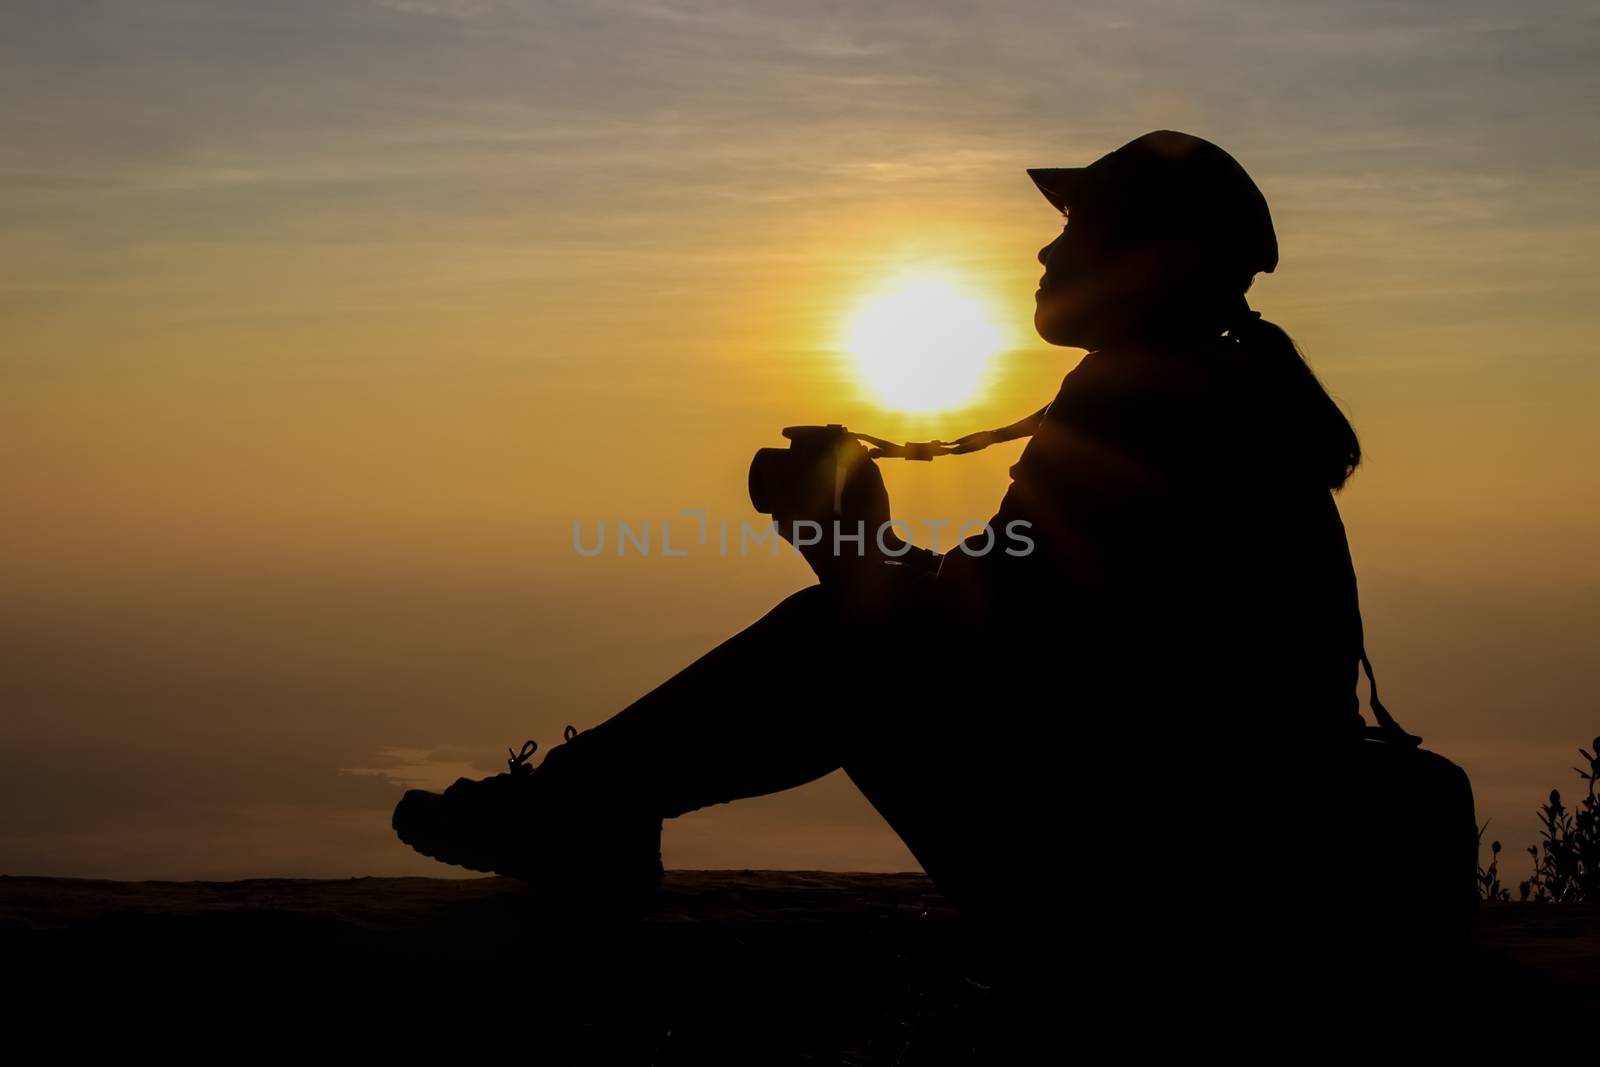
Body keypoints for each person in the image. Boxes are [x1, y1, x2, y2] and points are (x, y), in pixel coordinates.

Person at [392, 131, 1473, 1003]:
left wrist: (845, 531)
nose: (1046, 255)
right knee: (836, 639)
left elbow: (978, 640)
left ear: (1151, 261)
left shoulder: (1151, 402)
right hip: (1228, 856)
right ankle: (585, 811)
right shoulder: (1216, 390)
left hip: (1165, 898)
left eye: (1078, 231)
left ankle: (576, 817)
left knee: (829, 648)